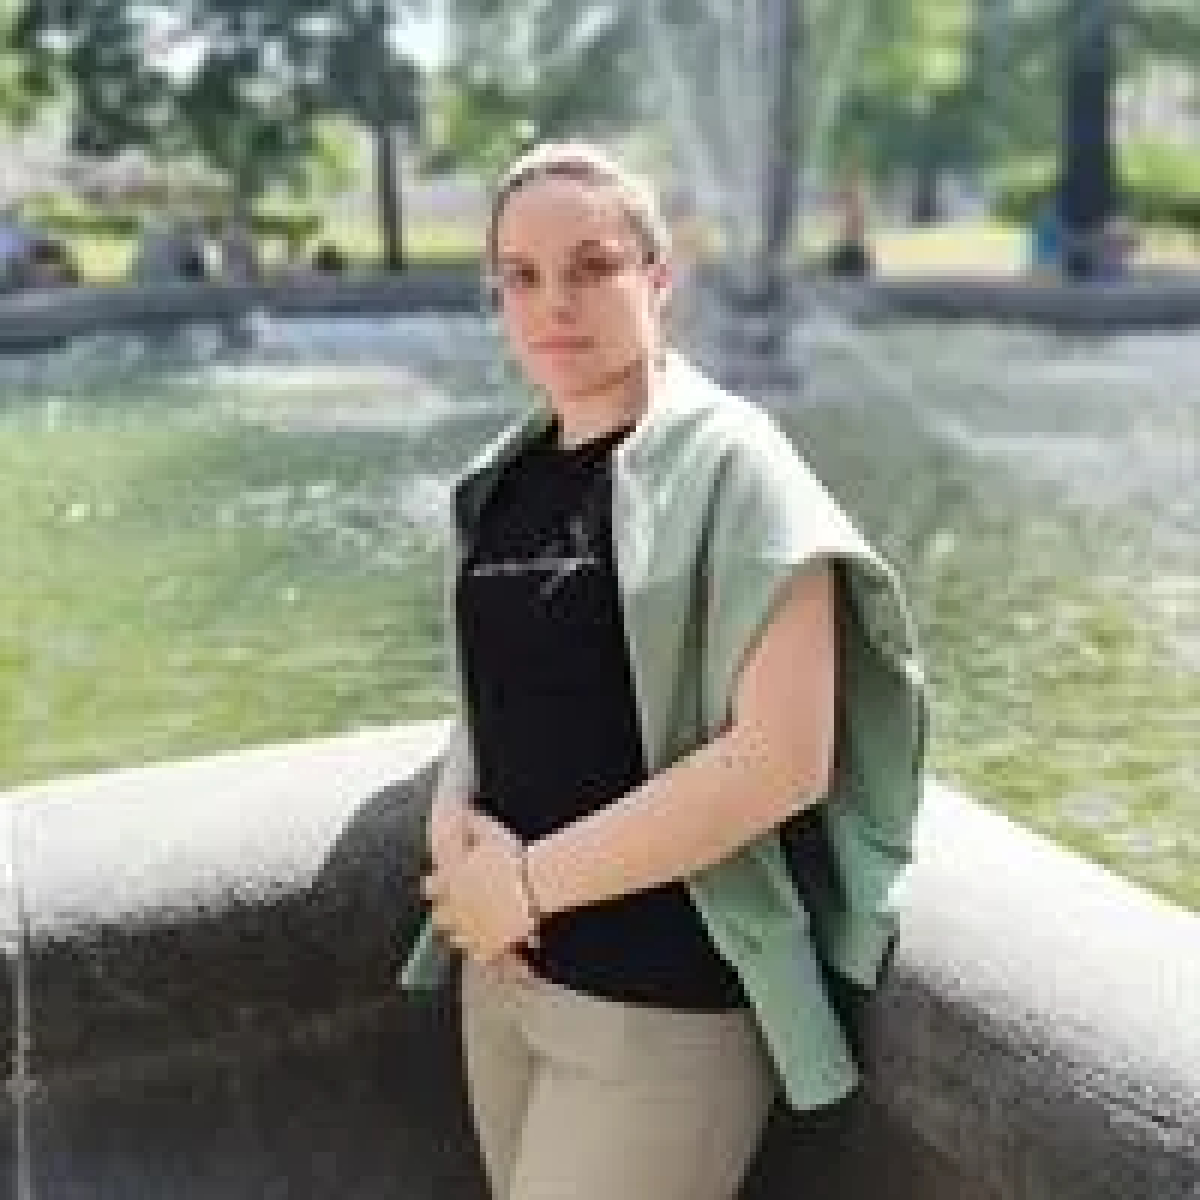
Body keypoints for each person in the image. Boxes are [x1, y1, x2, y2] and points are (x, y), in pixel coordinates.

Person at [399, 140, 926, 1200]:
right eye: (521, 277)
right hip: (505, 980)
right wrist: (454, 827)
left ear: (658, 278)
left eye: (592, 267)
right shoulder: (503, 479)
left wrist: (525, 886)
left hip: (660, 1007)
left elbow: (780, 762)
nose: (554, 304)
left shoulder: (740, 467)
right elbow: (488, 701)